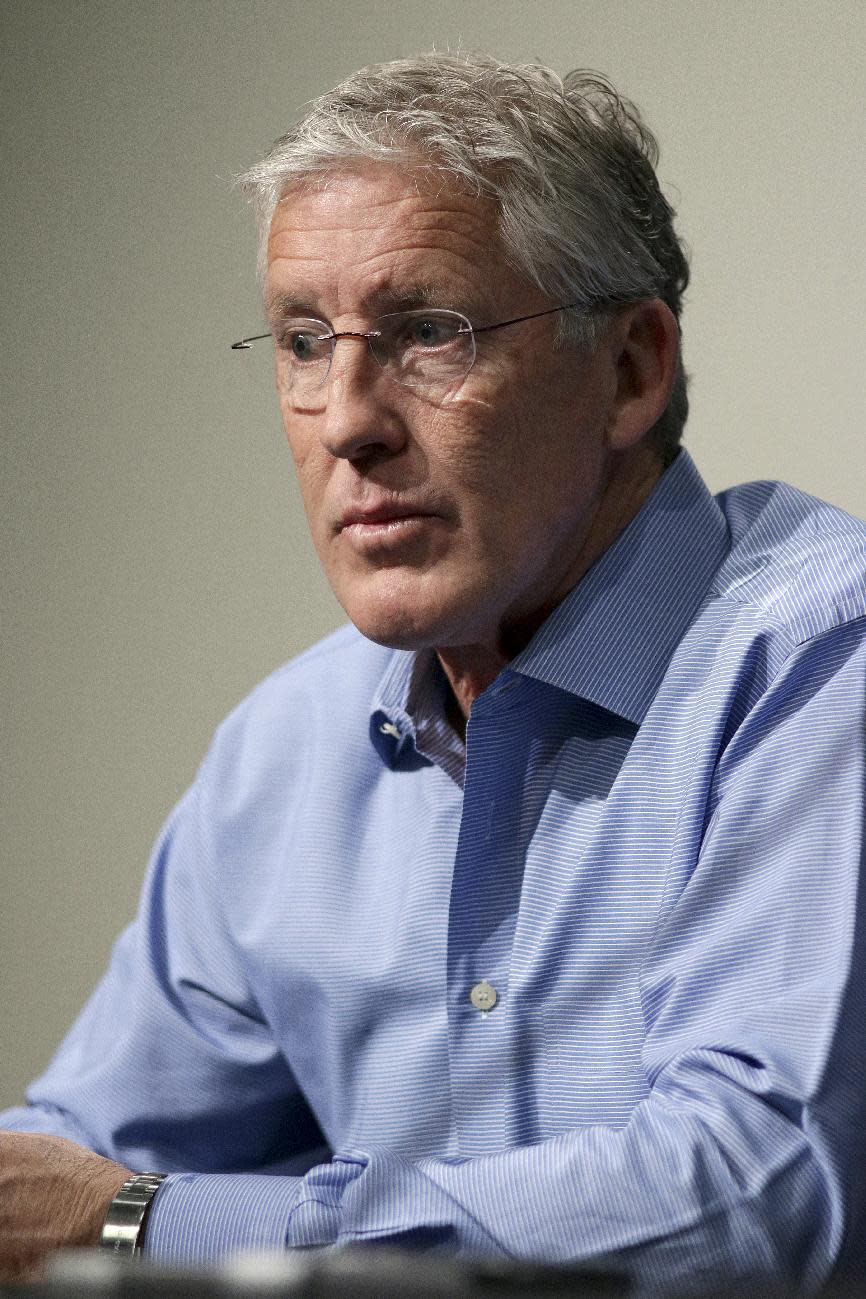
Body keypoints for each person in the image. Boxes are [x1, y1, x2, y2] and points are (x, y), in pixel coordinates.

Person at [2, 51, 865, 1294]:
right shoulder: (284, 750)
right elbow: (75, 1164)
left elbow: (756, 1190)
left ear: (631, 368)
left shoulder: (816, 664)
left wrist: (152, 1224)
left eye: (425, 333)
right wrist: (91, 1205)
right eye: (303, 341)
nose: (347, 417)